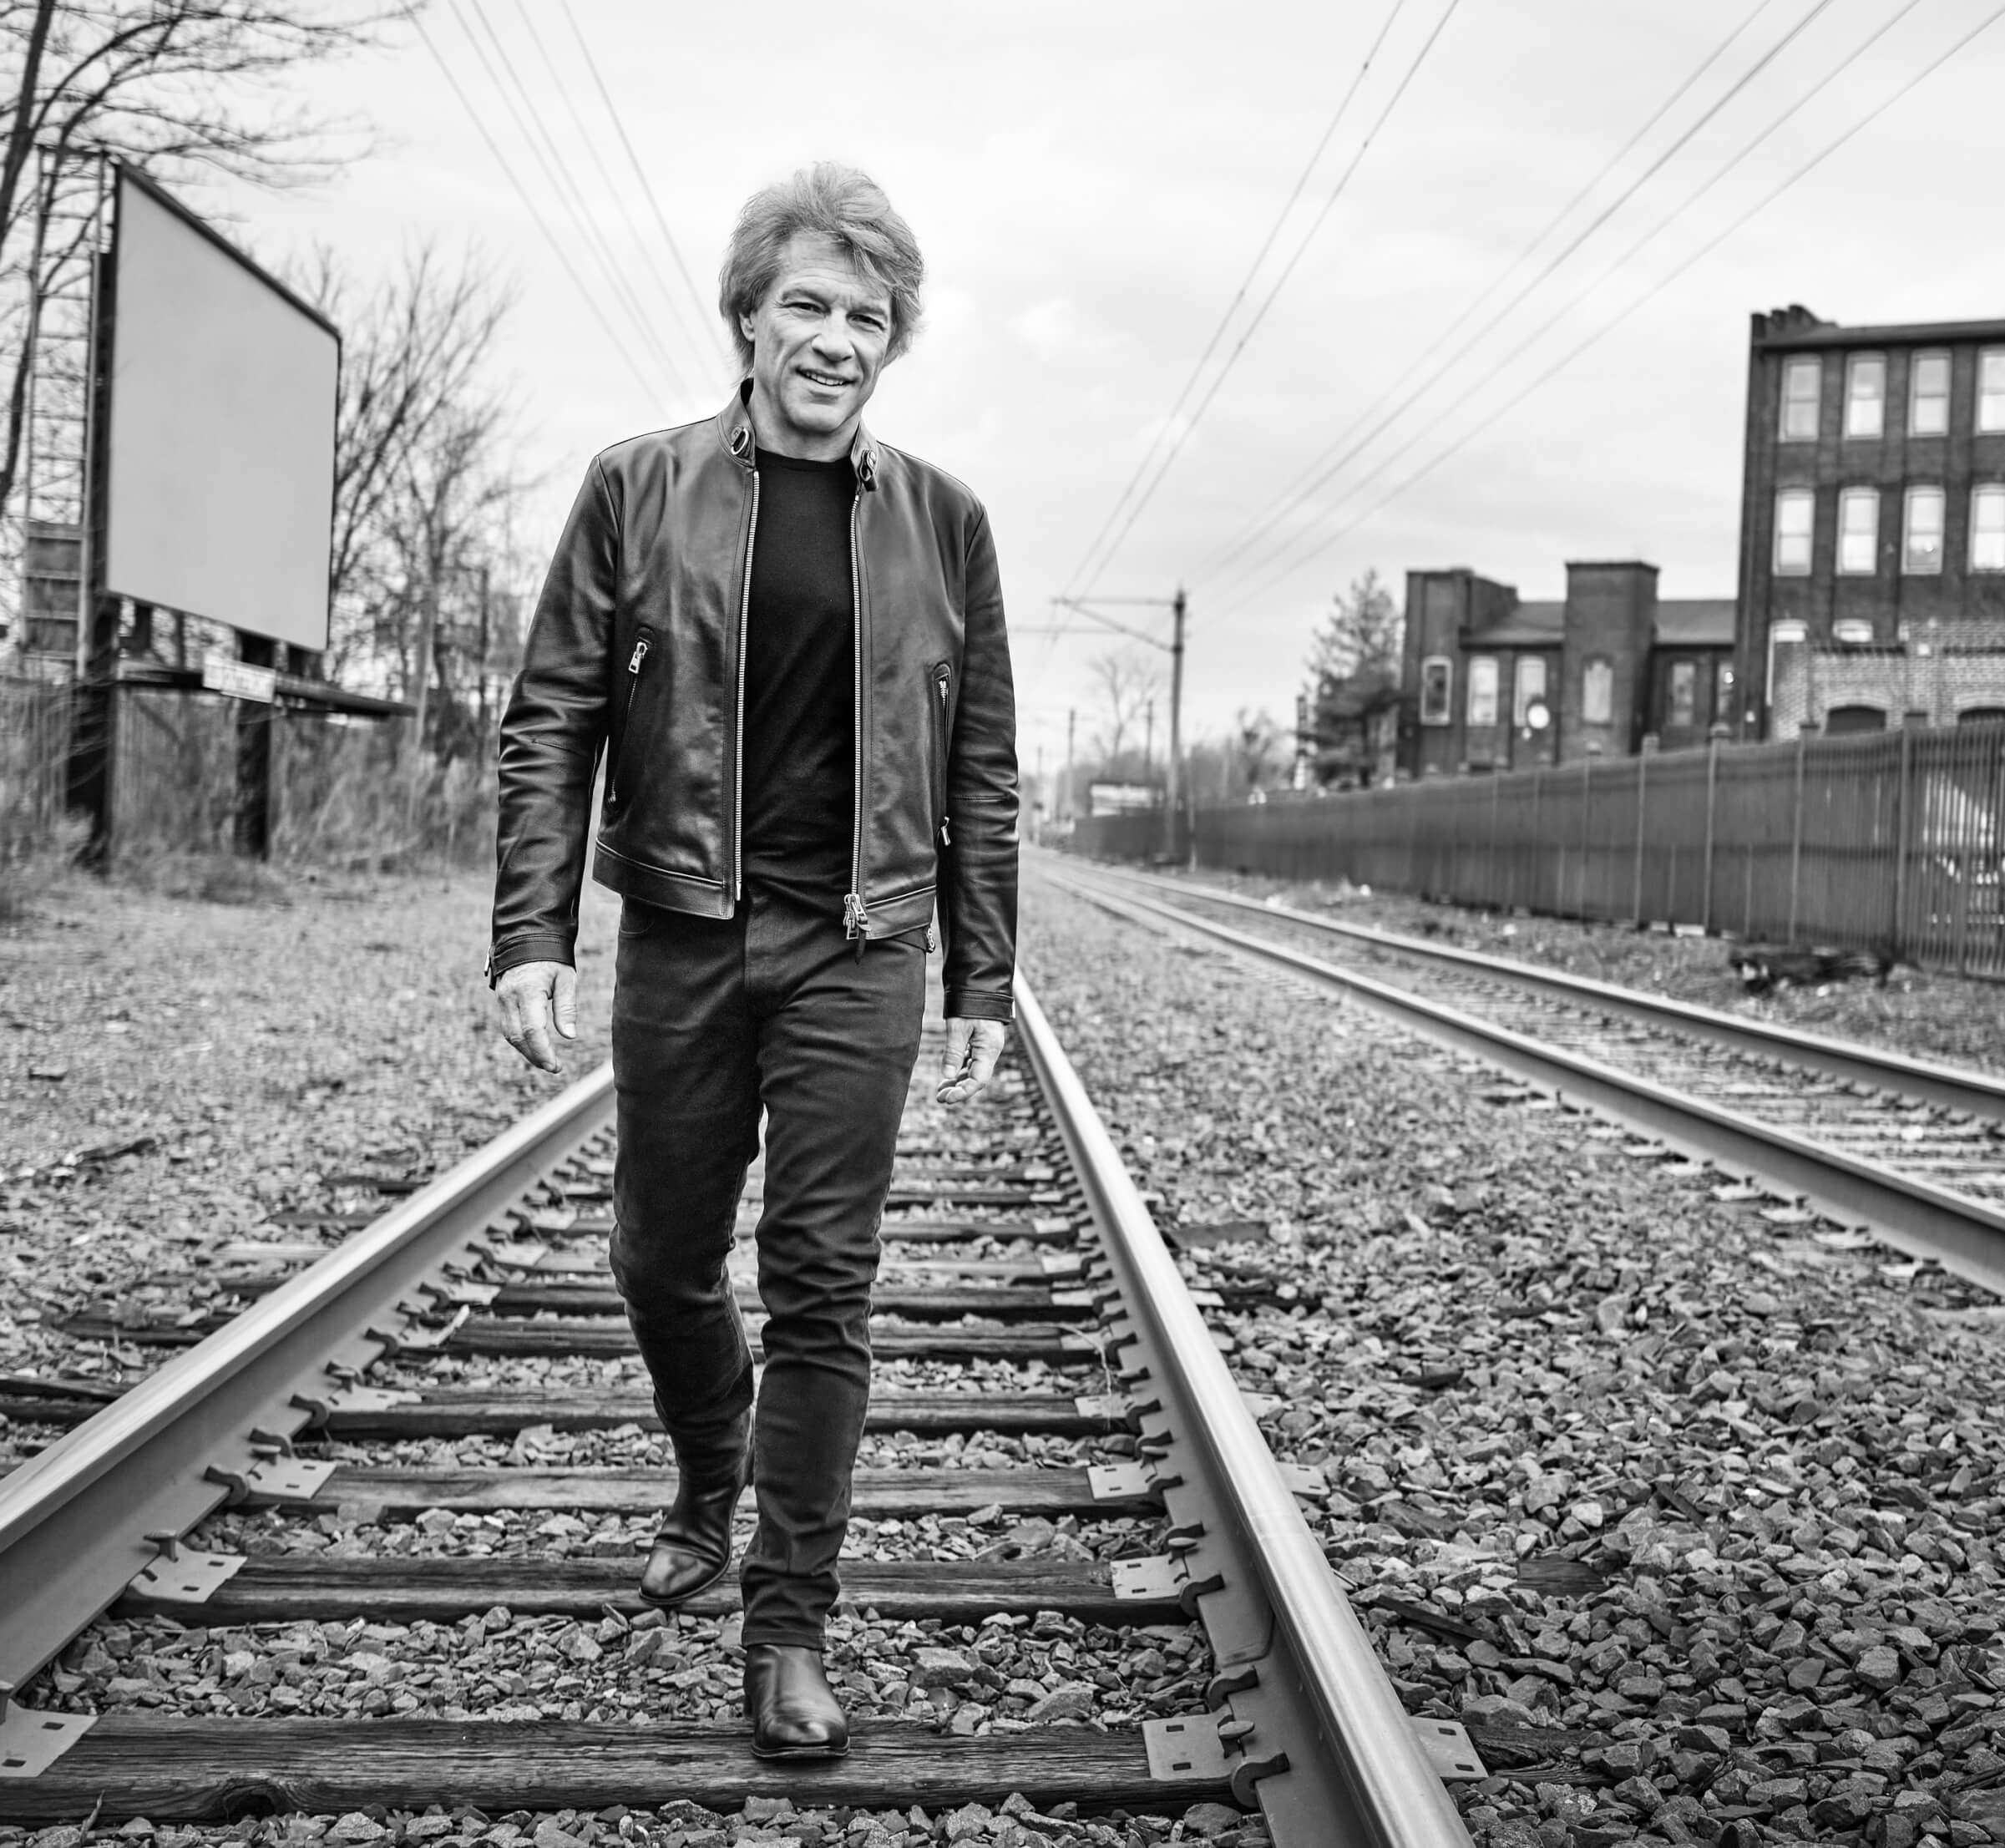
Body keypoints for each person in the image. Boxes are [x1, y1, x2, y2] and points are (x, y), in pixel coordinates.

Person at [487, 163, 1018, 1759]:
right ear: (746, 316)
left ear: (893, 343)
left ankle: (786, 1623)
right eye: (806, 303)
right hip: (683, 928)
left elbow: (980, 762)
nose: (835, 336)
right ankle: (707, 1465)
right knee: (659, 1259)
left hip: (859, 940)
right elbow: (553, 718)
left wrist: (980, 969)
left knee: (823, 1284)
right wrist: (531, 930)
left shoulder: (945, 522)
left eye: (867, 315)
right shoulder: (636, 486)